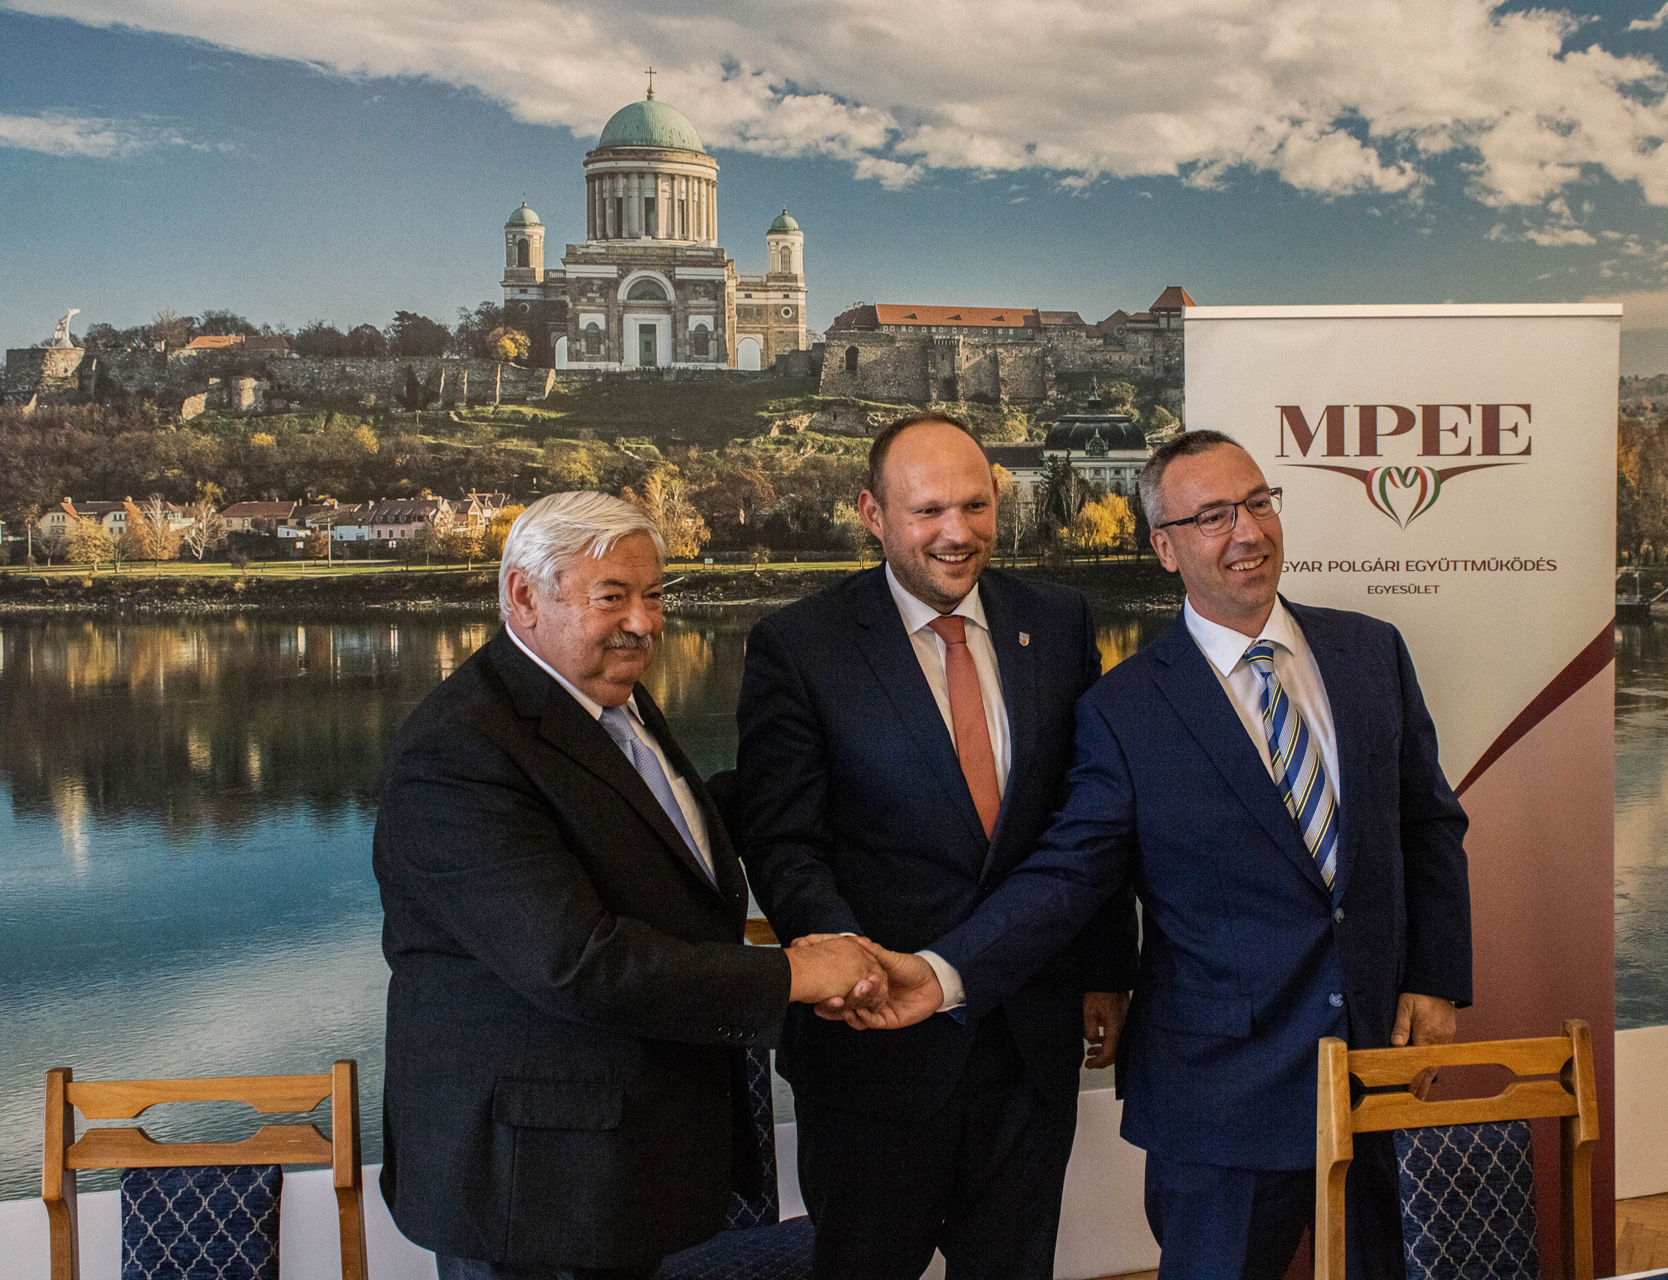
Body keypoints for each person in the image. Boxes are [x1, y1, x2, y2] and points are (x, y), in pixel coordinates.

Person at [844, 431, 1474, 1279]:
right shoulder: (1123, 710)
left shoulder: (1372, 652)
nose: (1247, 532)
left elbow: (1428, 826)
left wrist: (1434, 977)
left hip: (1377, 1067)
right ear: (1165, 548)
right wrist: (943, 972)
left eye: (1257, 502)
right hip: (1220, 1101)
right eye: (1212, 516)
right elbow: (1069, 874)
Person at [373, 490, 895, 1280]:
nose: (644, 622)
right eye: (612, 596)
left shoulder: (606, 697)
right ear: (524, 596)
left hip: (618, 1170)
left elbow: (655, 838)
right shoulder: (457, 751)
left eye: (653, 595)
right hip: (537, 1193)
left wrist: (827, 771)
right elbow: (580, 963)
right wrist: (797, 973)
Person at [734, 413, 1138, 1280]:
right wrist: (847, 965)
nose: (958, 533)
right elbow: (783, 840)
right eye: (928, 511)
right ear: (873, 515)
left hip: (1029, 1038)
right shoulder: (799, 646)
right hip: (874, 1048)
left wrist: (1106, 969)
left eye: (976, 505)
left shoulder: (1058, 622)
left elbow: (1088, 821)